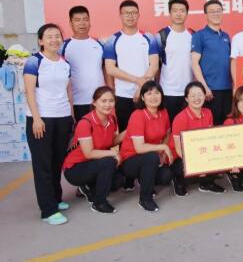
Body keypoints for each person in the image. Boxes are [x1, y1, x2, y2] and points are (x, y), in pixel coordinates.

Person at [24, 23, 74, 225]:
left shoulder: (64, 63)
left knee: (56, 162)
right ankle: (48, 210)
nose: (54, 40)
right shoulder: (34, 61)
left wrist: (71, 116)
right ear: (41, 41)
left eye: (57, 36)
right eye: (49, 36)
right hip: (41, 119)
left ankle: (55, 198)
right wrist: (36, 118)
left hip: (62, 117)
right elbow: (29, 92)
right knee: (43, 164)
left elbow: (68, 91)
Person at [63, 86, 124, 214]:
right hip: (75, 168)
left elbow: (111, 141)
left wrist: (129, 131)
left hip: (93, 164)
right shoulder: (85, 123)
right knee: (109, 161)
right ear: (94, 102)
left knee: (117, 181)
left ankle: (87, 187)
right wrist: (113, 153)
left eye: (111, 101)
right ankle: (99, 203)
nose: (108, 104)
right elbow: (88, 153)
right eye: (103, 101)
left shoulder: (111, 119)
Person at [104, 0, 159, 133]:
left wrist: (142, 86)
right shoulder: (112, 40)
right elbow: (110, 68)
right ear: (120, 15)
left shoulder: (149, 38)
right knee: (126, 133)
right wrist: (137, 80)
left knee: (149, 132)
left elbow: (154, 65)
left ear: (138, 15)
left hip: (147, 95)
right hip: (123, 95)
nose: (130, 16)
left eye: (133, 13)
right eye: (126, 13)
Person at [119, 81, 173, 212]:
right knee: (151, 157)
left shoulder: (163, 112)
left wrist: (162, 152)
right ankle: (145, 199)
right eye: (149, 94)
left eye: (157, 93)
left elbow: (167, 133)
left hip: (151, 156)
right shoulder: (138, 115)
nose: (154, 96)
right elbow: (139, 148)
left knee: (166, 175)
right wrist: (163, 148)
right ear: (142, 98)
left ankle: (145, 180)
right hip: (130, 159)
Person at [170, 82, 226, 195]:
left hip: (201, 151)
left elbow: (210, 139)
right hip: (180, 156)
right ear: (186, 99)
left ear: (205, 96)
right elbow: (179, 150)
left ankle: (207, 183)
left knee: (220, 164)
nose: (197, 98)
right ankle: (179, 181)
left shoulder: (208, 113)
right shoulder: (180, 118)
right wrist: (197, 163)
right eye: (193, 95)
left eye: (200, 94)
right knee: (186, 168)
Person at [61, 5, 109, 122]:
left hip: (99, 101)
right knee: (80, 132)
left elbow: (106, 69)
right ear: (71, 23)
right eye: (77, 20)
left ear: (90, 22)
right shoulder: (63, 46)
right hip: (76, 102)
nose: (82, 23)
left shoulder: (100, 44)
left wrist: (110, 91)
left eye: (85, 19)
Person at [191, 0, 232, 126]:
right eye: (212, 11)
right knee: (212, 127)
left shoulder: (226, 36)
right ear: (206, 15)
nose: (216, 14)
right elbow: (194, 63)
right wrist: (204, 87)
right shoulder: (199, 35)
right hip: (211, 91)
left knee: (227, 125)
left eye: (218, 11)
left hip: (227, 89)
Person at [156, 0, 194, 122]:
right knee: (169, 127)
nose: (178, 14)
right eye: (175, 10)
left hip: (189, 92)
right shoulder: (162, 35)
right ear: (170, 13)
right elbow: (155, 64)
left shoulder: (193, 35)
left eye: (182, 11)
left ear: (187, 13)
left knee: (188, 128)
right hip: (168, 91)